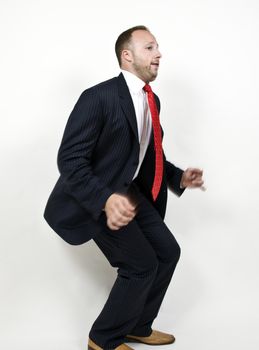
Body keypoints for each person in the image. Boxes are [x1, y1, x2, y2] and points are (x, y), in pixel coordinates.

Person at [44, 25, 204, 350]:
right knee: (140, 265)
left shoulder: (152, 100)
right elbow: (71, 159)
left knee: (167, 252)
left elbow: (145, 156)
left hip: (130, 194)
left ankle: (138, 326)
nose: (158, 53)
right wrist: (105, 200)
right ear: (127, 55)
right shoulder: (98, 97)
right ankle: (102, 339)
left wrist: (178, 177)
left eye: (158, 47)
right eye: (149, 48)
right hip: (97, 198)